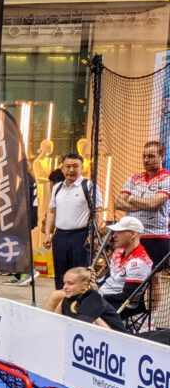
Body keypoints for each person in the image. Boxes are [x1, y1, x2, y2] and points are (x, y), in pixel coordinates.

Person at [44, 152, 102, 289]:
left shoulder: (89, 186)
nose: (71, 170)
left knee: (79, 274)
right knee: (60, 274)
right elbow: (51, 212)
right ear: (62, 168)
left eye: (75, 166)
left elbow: (97, 213)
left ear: (82, 168)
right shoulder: (57, 188)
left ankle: (77, 306)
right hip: (60, 236)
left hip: (80, 237)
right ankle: (61, 304)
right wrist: (47, 234)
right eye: (68, 166)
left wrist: (93, 234)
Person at [115, 140, 169, 267]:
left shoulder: (167, 178)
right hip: (132, 237)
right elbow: (118, 203)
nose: (146, 160)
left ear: (162, 156)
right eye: (144, 156)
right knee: (128, 273)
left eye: (150, 156)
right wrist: (145, 204)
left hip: (156, 236)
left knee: (153, 278)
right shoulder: (134, 178)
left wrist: (132, 198)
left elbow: (154, 205)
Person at [48, 267, 126, 332]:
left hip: (120, 343)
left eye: (70, 283)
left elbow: (81, 329)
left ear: (84, 285)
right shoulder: (68, 298)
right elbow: (55, 322)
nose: (65, 287)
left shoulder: (91, 300)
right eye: (64, 283)